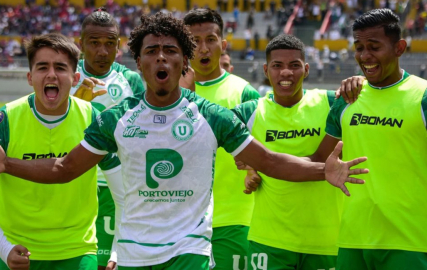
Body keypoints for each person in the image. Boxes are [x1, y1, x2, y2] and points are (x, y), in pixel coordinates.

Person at [0, 12, 368, 270]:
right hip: (135, 255)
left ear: (183, 61)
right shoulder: (115, 119)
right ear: (138, 62)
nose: (160, 58)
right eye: (151, 51)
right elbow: (64, 169)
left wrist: (321, 169)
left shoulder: (210, 115)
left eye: (170, 51)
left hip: (190, 250)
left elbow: (270, 160)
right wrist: (6, 164)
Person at [0, 33, 99, 270]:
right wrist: (4, 248)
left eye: (60, 67)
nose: (51, 74)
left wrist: (118, 251)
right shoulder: (2, 121)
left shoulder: (94, 118)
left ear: (75, 77)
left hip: (77, 250)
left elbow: (124, 191)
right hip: (14, 251)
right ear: (30, 77)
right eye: (42, 67)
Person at [308, 9, 427, 269]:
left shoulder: (422, 96)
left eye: (374, 47)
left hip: (411, 242)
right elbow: (318, 159)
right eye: (359, 47)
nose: (365, 57)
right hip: (353, 240)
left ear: (399, 48)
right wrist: (253, 163)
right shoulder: (347, 99)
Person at [234, 34, 342, 270]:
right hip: (269, 241)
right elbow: (210, 132)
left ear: (306, 69)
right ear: (265, 70)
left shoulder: (331, 103)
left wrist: (357, 81)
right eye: (277, 66)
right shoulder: (250, 112)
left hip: (325, 241)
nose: (286, 72)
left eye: (294, 65)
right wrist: (248, 164)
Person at [183, 8, 259, 270]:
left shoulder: (244, 92)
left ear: (223, 44)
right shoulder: (169, 94)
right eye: (194, 42)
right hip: (182, 223)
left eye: (211, 40)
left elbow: (264, 148)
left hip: (234, 219)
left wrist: (254, 168)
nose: (203, 49)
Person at [70, 8, 145, 270]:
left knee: (109, 265)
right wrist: (75, 106)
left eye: (109, 44)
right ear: (80, 45)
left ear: (118, 46)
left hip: (118, 189)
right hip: (74, 184)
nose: (102, 51)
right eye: (94, 43)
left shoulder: (132, 82)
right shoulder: (65, 76)